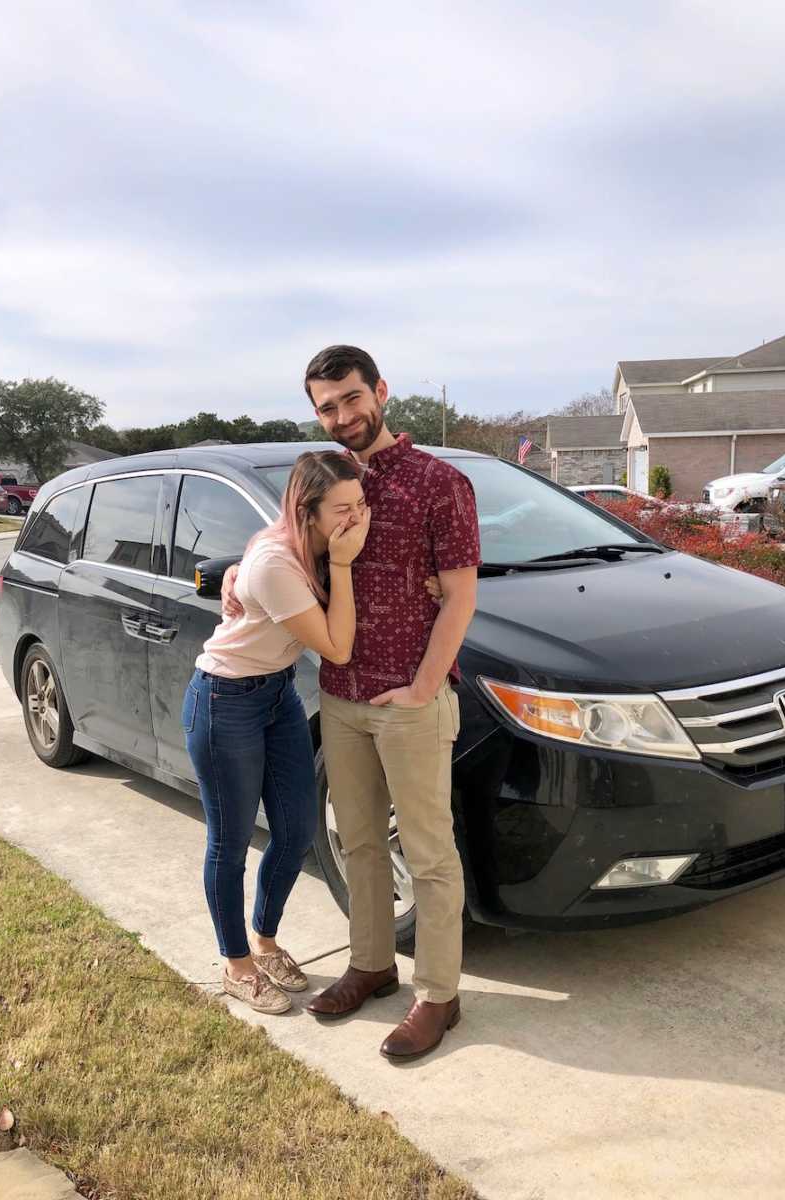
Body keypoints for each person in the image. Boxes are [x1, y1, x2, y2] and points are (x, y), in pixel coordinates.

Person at [302, 345, 480, 1061]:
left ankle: (438, 995)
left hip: (409, 698)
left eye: (351, 398)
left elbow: (461, 595)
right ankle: (371, 964)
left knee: (431, 856)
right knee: (359, 842)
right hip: (340, 694)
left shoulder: (439, 482)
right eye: (327, 406)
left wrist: (425, 686)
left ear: (381, 390)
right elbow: (284, 547)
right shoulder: (321, 483)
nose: (343, 415)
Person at [184, 451, 370, 1014]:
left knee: (294, 831)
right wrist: (341, 565)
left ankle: (264, 941)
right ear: (307, 510)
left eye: (360, 504)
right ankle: (236, 964)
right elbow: (337, 648)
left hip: (277, 695)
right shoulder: (277, 561)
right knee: (231, 841)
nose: (355, 517)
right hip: (224, 700)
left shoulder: (299, 543)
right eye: (342, 508)